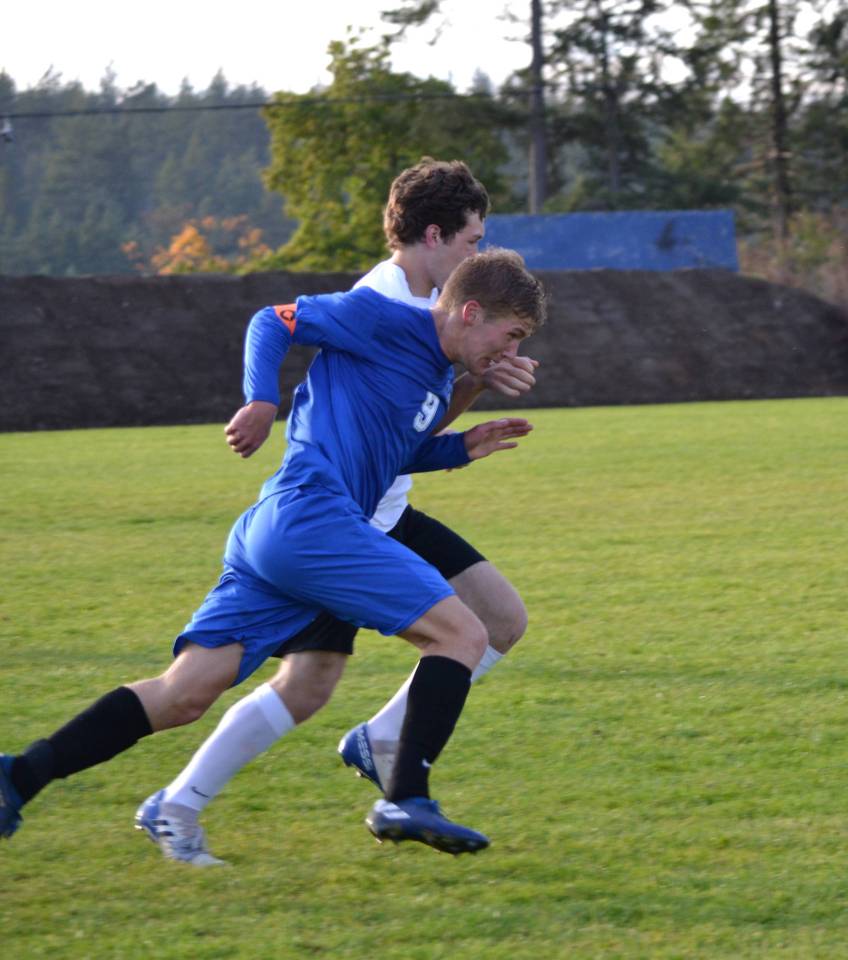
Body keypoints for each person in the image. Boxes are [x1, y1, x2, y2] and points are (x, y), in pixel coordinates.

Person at [0, 246, 548, 858]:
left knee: (184, 692)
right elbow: (274, 320)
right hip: (315, 516)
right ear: (471, 312)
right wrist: (262, 400)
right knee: (463, 635)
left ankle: (18, 776)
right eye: (512, 334)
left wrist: (461, 446)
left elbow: (387, 454)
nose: (512, 352)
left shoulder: (439, 370)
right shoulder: (382, 317)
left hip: (281, 528)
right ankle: (405, 795)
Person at [125, 159, 541, 866]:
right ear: (436, 235)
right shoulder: (390, 304)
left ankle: (373, 742)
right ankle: (180, 803)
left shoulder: (436, 303)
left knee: (499, 620)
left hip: (382, 508)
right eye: (473, 239)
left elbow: (420, 417)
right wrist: (262, 397)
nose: (478, 253)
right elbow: (280, 326)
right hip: (345, 521)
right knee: (298, 680)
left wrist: (473, 381)